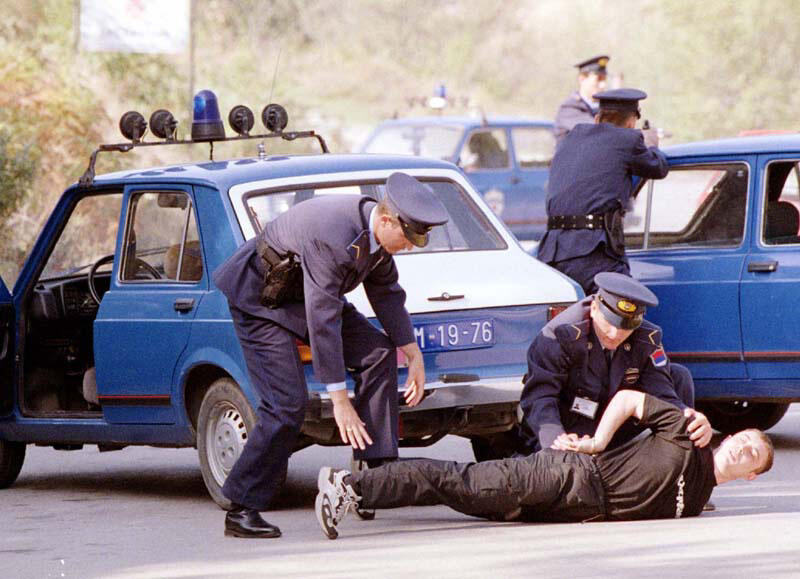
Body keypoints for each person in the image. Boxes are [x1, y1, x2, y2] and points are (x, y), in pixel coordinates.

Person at [212, 172, 448, 538]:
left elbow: (386, 290)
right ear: (387, 220)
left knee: (378, 353)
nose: (411, 246)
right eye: (408, 237)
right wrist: (340, 400)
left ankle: (375, 477)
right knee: (286, 407)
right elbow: (323, 322)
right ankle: (241, 508)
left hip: (305, 294)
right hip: (261, 301)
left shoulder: (377, 237)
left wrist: (412, 352)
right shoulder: (334, 235)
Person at [314, 390, 774, 538]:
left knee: (468, 498)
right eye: (744, 438)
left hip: (569, 508)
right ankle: (349, 487)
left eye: (752, 452)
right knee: (460, 483)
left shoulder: (698, 501)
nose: (742, 447)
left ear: (750, 474)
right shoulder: (688, 433)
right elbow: (630, 399)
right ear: (730, 436)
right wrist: (597, 441)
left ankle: (360, 487)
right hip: (569, 475)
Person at [519, 272, 711, 455]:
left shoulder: (647, 338)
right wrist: (556, 437)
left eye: (625, 329)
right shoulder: (561, 335)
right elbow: (540, 396)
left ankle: (676, 461)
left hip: (615, 425)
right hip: (571, 425)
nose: (615, 335)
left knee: (679, 375)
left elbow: (662, 392)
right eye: (609, 324)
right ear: (594, 309)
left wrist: (689, 417)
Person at [538, 88, 668, 296]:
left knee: (573, 326)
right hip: (596, 253)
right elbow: (658, 168)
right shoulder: (629, 140)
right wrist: (651, 144)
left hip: (553, 253)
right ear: (631, 123)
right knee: (627, 316)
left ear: (597, 118)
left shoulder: (570, 139)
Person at [553, 55, 609, 144]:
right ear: (582, 79)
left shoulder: (603, 108)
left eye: (604, 79)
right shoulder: (569, 109)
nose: (603, 85)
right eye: (598, 79)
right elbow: (597, 131)